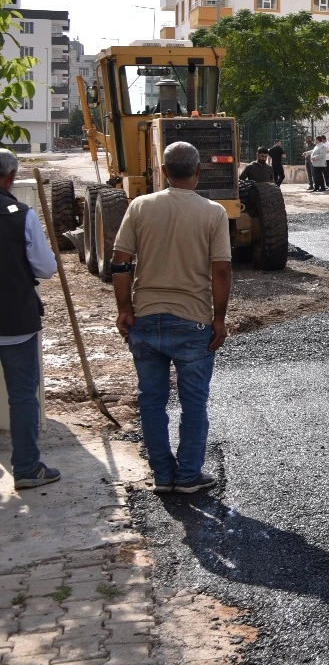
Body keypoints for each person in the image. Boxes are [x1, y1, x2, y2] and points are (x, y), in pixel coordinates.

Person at [110, 141, 231, 495]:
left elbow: (120, 263)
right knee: (193, 403)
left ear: (163, 171)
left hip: (146, 320)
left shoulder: (139, 207)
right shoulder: (213, 212)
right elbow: (221, 270)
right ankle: (188, 475)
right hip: (193, 321)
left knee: (151, 400)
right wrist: (219, 318)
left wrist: (124, 309)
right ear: (198, 171)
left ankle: (162, 475)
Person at [0, 149, 61, 489]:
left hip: (15, 320)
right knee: (22, 396)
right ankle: (26, 468)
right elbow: (46, 268)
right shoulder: (20, 215)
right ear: (10, 177)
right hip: (15, 320)